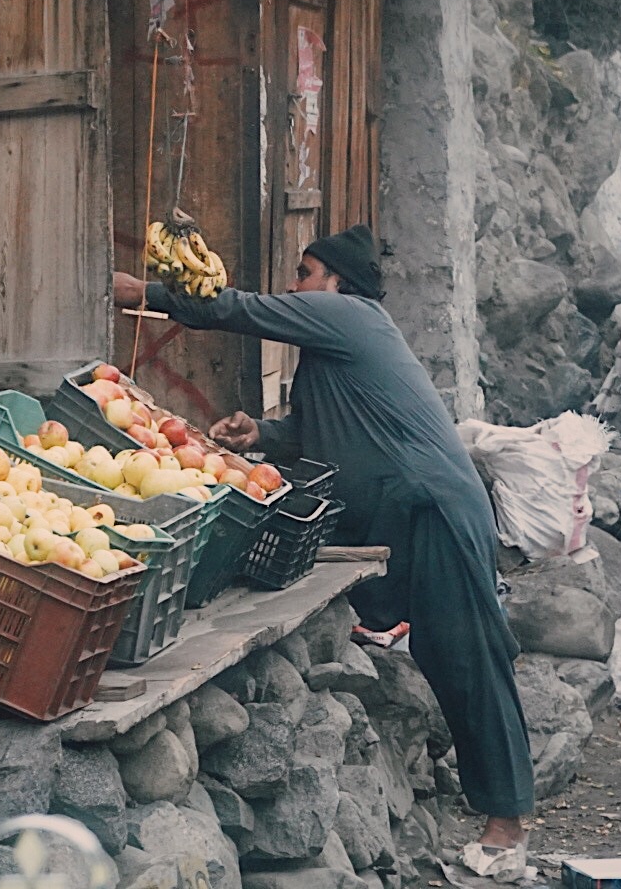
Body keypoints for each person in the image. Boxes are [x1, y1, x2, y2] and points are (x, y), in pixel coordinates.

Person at [114, 224, 534, 861]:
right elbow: (326, 428)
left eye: (305, 273)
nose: (295, 284)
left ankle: (507, 825)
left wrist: (146, 292)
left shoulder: (350, 316)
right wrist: (262, 433)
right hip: (412, 508)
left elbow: (241, 308)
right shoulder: (341, 342)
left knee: (469, 657)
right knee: (452, 655)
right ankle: (500, 816)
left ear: (335, 283)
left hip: (435, 509)